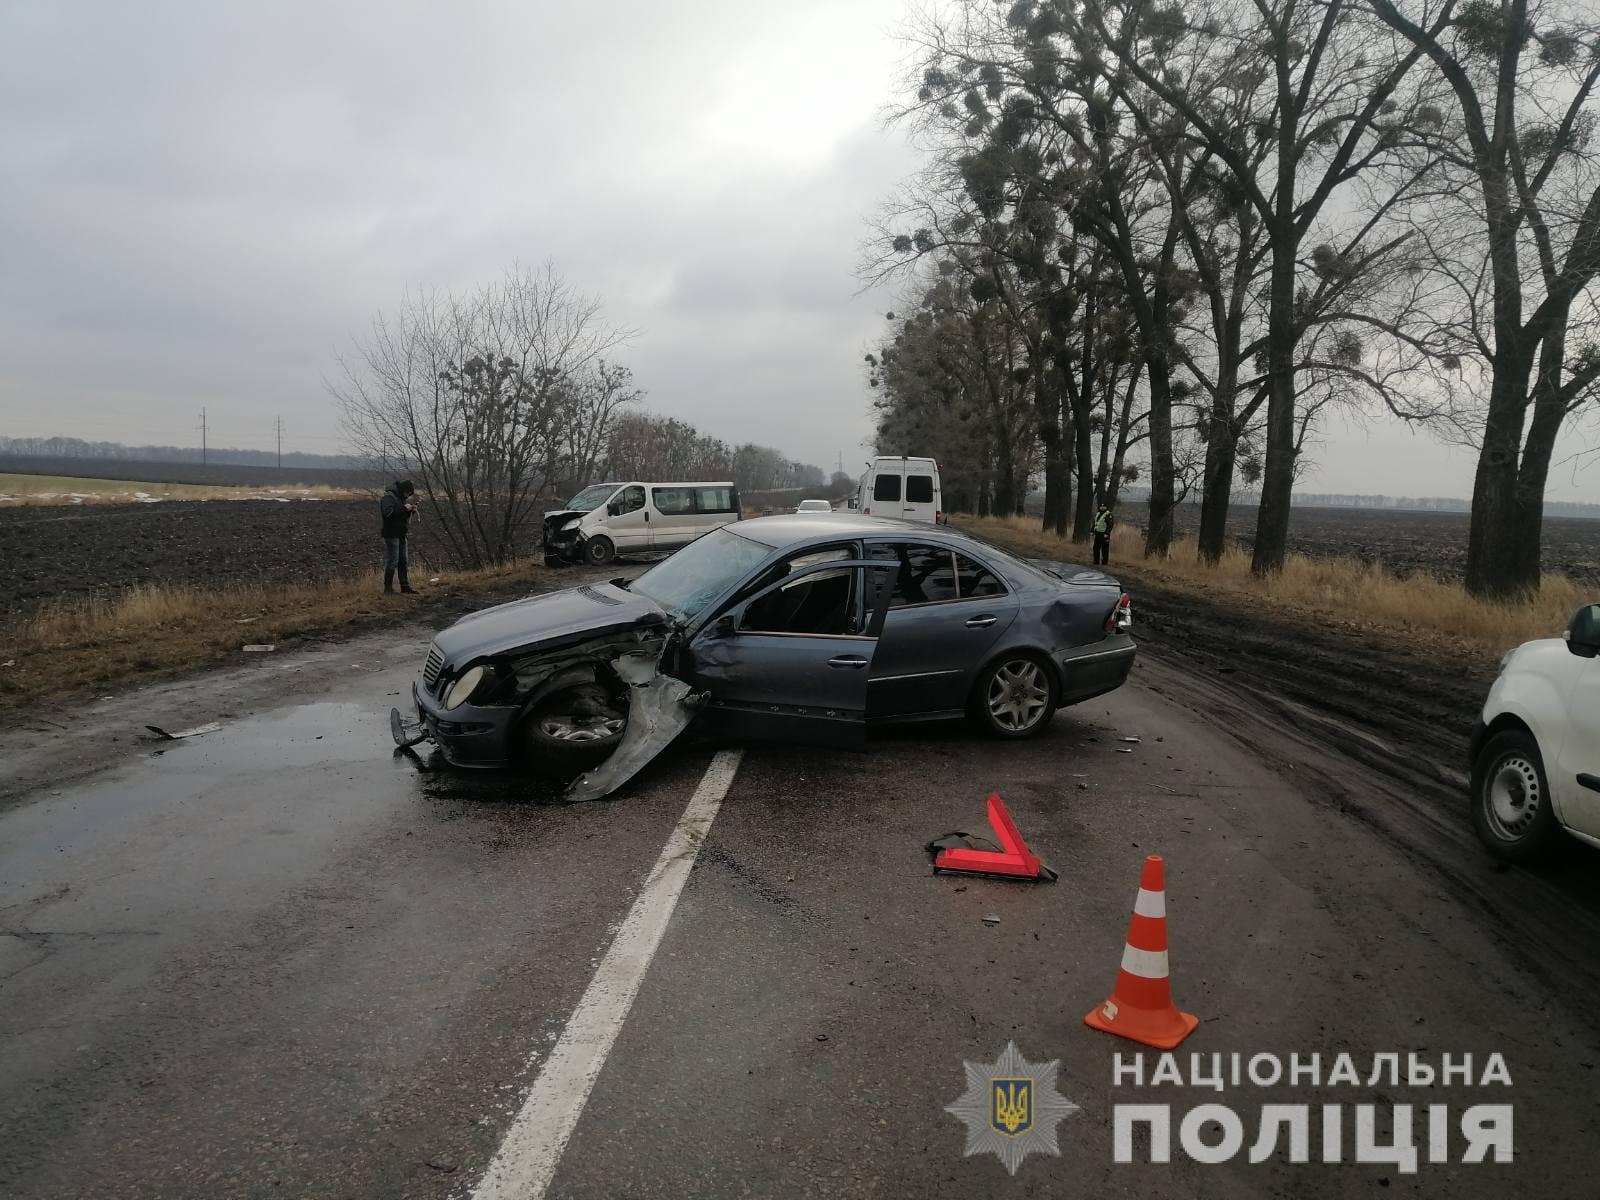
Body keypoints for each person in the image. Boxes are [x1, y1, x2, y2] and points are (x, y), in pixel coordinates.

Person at [380, 479, 419, 594]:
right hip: (391, 534)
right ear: (403, 490)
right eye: (408, 493)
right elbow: (388, 513)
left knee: (403, 560)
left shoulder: (401, 499)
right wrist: (404, 508)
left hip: (402, 534)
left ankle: (405, 586)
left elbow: (400, 516)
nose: (408, 496)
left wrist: (410, 511)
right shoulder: (388, 497)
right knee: (393, 561)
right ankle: (388, 588)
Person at [1092, 501, 1114, 566]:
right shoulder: (1098, 513)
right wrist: (1092, 530)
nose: (1102, 507)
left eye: (1103, 506)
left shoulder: (1108, 515)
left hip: (1104, 535)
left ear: (1106, 507)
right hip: (1098, 533)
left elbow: (1110, 525)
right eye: (1101, 506)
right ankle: (1096, 562)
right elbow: (1095, 523)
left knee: (1105, 549)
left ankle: (1104, 563)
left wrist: (1107, 533)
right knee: (1096, 548)